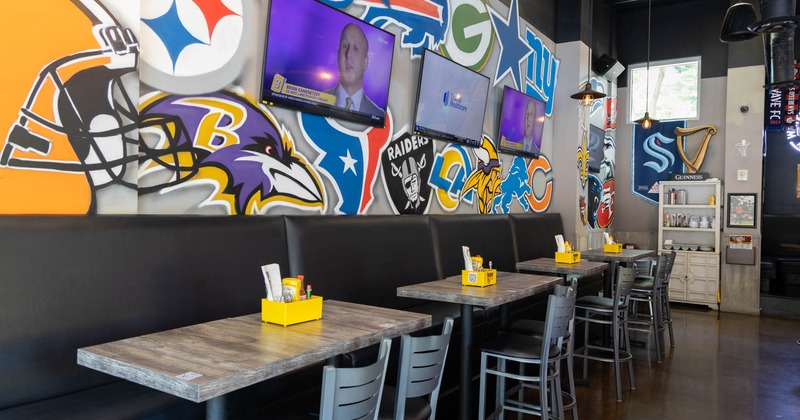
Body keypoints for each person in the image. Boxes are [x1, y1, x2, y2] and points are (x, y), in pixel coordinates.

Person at [325, 23, 383, 117]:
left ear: (365, 62)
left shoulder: (378, 114)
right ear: (338, 55)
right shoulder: (316, 101)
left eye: (355, 48)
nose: (348, 54)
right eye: (345, 46)